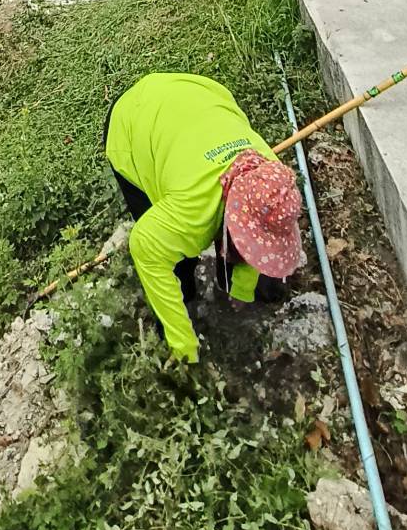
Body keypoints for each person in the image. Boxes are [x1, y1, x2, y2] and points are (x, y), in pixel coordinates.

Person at [104, 73, 303, 362]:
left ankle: (227, 282)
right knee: (180, 265)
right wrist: (183, 347)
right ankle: (180, 308)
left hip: (197, 94)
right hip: (132, 122)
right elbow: (146, 249)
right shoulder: (190, 214)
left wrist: (242, 290)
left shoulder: (271, 175)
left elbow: (257, 234)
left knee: (243, 255)